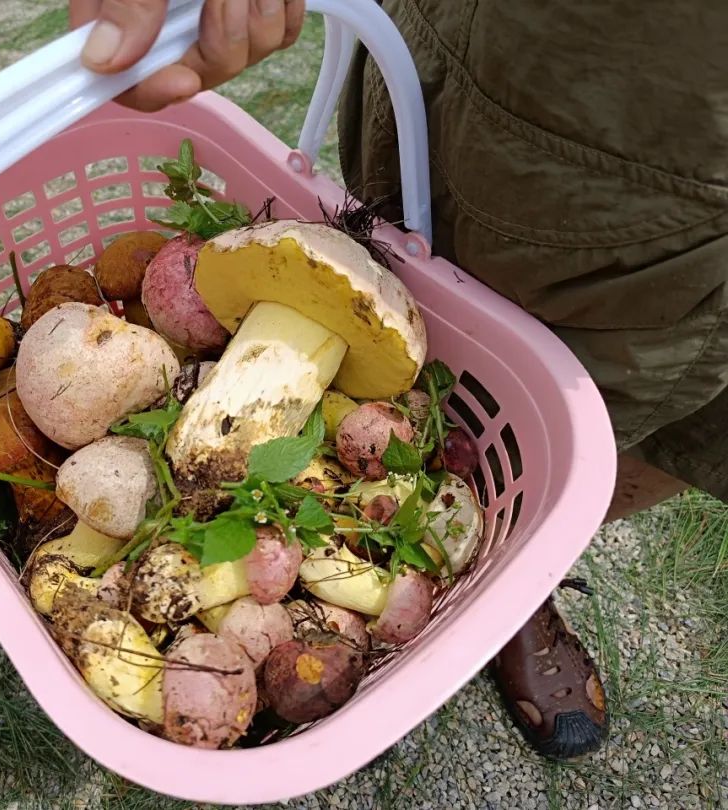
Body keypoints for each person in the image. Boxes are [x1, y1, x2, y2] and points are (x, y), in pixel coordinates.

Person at [67, 0, 728, 760]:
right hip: (606, 107)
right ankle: (501, 562)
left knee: (668, 415)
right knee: (535, 319)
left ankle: (518, 570)